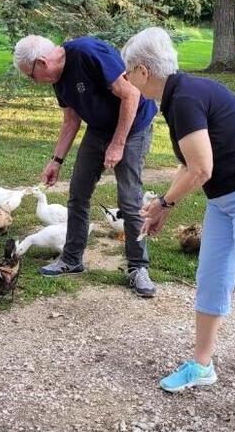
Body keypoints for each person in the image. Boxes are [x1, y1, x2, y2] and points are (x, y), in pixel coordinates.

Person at [121, 27, 235, 432]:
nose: (125, 80)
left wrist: (165, 205)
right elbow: (193, 165)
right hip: (225, 199)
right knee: (212, 278)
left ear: (143, 71)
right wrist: (163, 204)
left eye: (128, 72)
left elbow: (202, 169)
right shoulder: (179, 96)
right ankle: (202, 365)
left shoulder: (184, 98)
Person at [13, 34, 158, 297]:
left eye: (31, 76)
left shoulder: (88, 53)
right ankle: (72, 259)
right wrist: (56, 160)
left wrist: (117, 144)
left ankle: (138, 267)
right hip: (99, 130)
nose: (33, 82)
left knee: (129, 198)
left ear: (43, 62)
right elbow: (71, 120)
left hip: (133, 127)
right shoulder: (57, 79)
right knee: (78, 193)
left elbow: (131, 95)